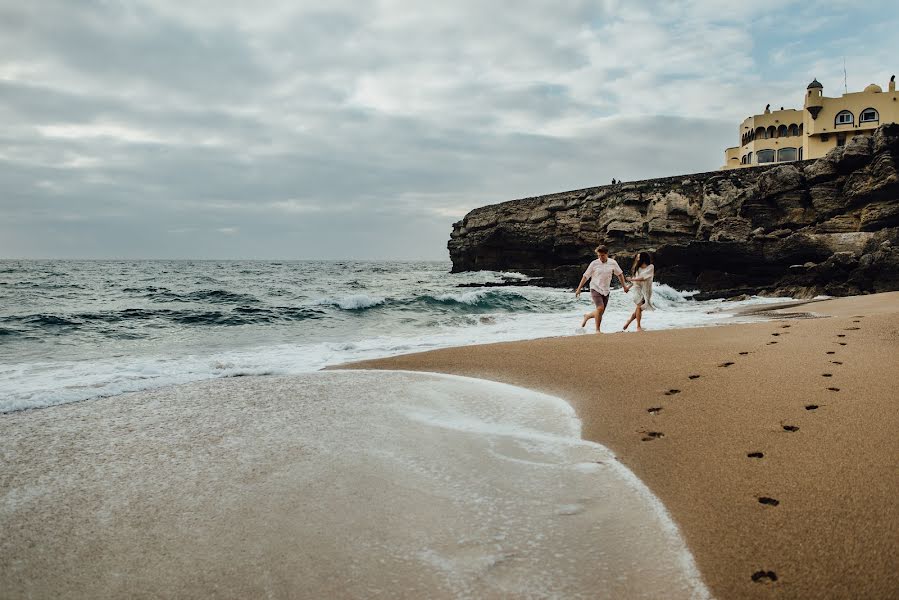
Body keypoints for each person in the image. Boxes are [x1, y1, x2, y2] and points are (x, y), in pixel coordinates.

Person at [575, 245, 629, 332]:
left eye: (602, 255)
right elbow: (586, 276)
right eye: (599, 255)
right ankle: (597, 330)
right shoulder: (594, 263)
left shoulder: (613, 263)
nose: (600, 257)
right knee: (600, 308)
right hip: (595, 288)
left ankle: (588, 316)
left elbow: (620, 274)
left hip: (606, 290)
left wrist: (624, 287)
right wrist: (579, 288)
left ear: (607, 254)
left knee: (600, 312)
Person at [623, 252, 654, 331]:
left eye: (639, 257)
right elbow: (635, 282)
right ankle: (638, 327)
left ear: (644, 258)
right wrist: (628, 287)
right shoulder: (637, 268)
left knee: (639, 309)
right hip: (637, 289)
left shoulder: (651, 267)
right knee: (639, 307)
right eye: (637, 257)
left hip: (646, 290)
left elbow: (644, 277)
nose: (637, 259)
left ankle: (629, 321)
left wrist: (632, 279)